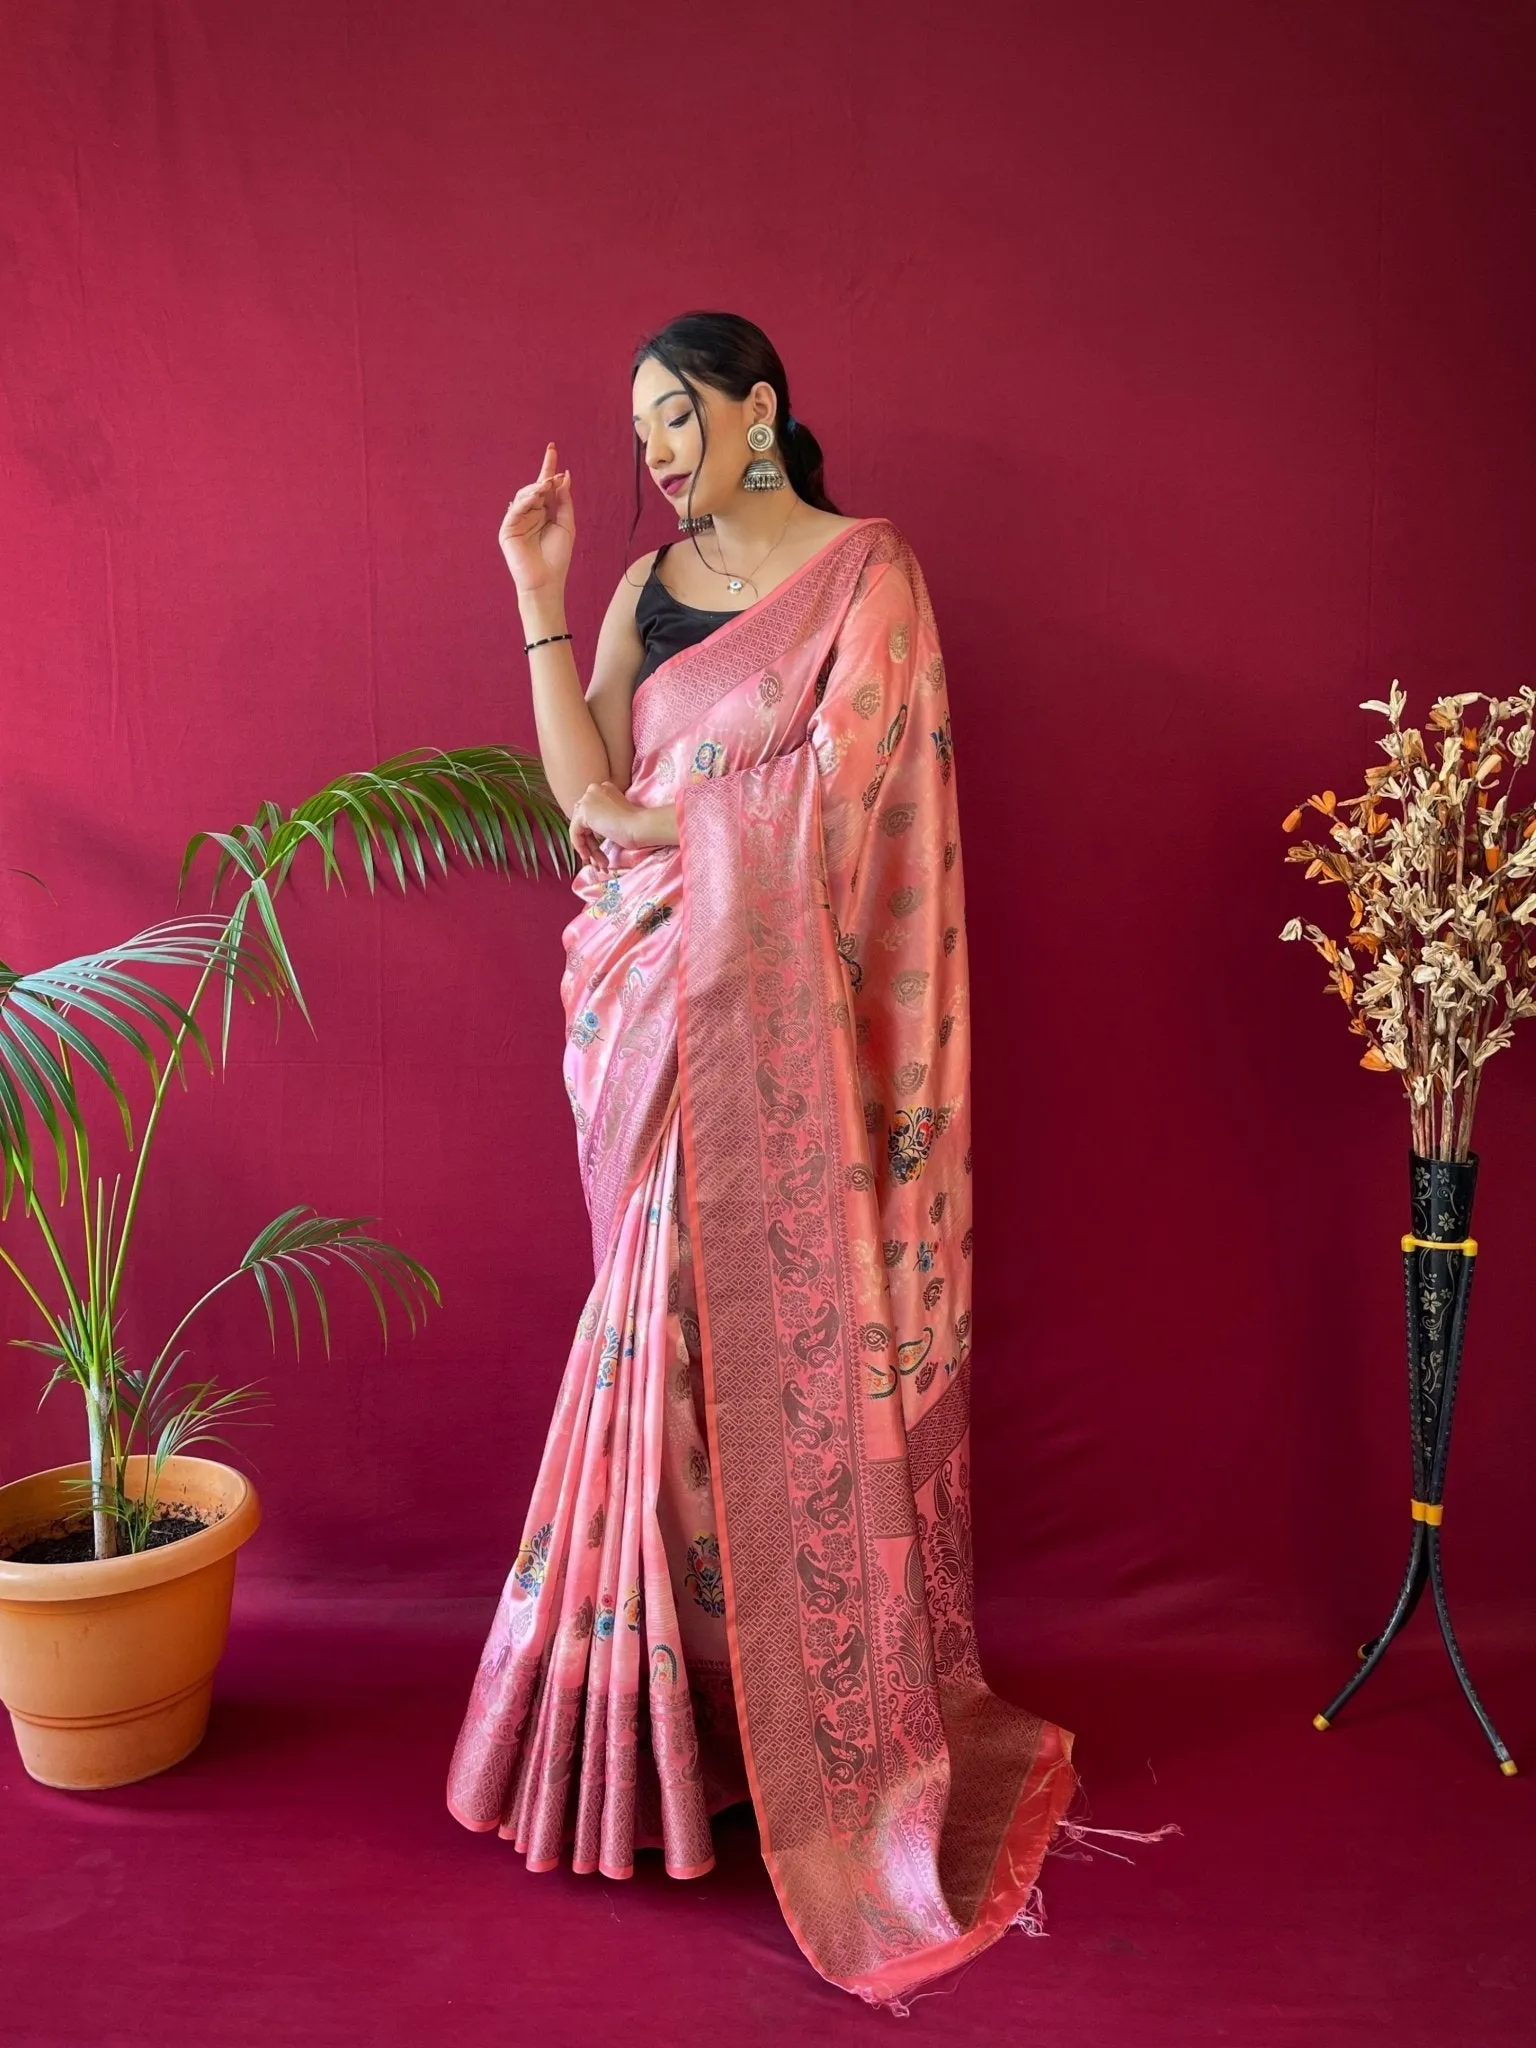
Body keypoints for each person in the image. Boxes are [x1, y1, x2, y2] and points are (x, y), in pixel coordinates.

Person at [447, 310, 1078, 2009]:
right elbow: (576, 783)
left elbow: (859, 794)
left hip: (785, 1021)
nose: (655, 449)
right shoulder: (653, 596)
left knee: (723, 1371)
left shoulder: (868, 579)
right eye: (639, 424)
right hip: (644, 1009)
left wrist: (677, 826)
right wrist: (539, 596)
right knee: (662, 1357)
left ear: (760, 412)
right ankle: (652, 1742)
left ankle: (763, 1739)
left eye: (677, 418)